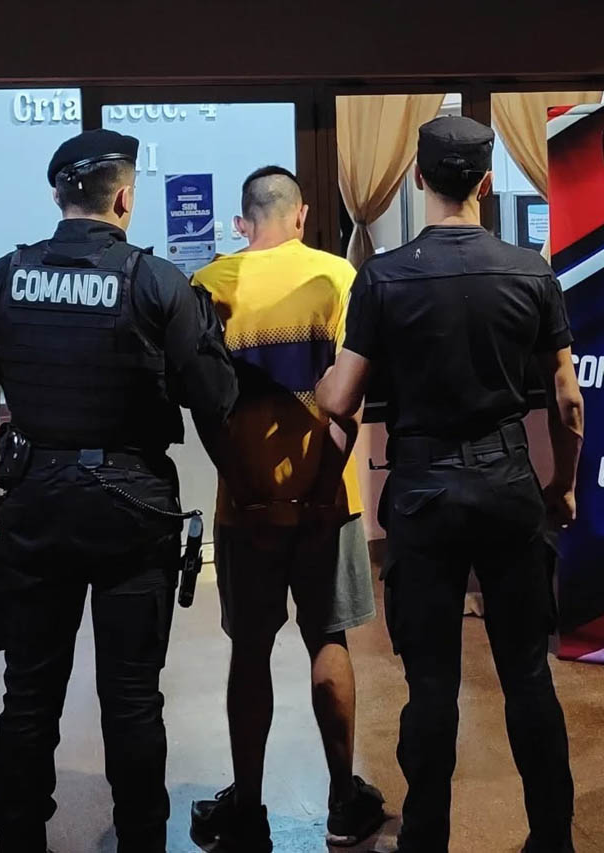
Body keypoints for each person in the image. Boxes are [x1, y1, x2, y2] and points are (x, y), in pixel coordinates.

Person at [0, 129, 238, 853]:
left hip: (36, 503)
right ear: (124, 200)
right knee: (132, 697)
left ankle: (18, 838)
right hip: (132, 507)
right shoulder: (156, 282)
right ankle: (142, 840)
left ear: (58, 195)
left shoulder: (2, 277)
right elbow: (214, 398)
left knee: (28, 694)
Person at [316, 116, 583, 853]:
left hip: (423, 491)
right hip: (508, 482)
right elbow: (567, 400)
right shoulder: (531, 271)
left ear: (418, 178)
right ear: (487, 183)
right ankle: (552, 839)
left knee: (430, 684)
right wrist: (561, 484)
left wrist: (321, 385)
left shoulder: (383, 276)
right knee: (528, 675)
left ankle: (426, 836)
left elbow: (342, 399)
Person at [189, 166, 385, 852]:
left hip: (246, 507)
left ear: (244, 221)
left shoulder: (210, 285)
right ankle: (343, 803)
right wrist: (322, 485)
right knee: (328, 638)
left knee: (250, 649)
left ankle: (247, 809)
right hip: (328, 504)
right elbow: (349, 400)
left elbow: (207, 406)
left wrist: (244, 483)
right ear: (300, 216)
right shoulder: (338, 277)